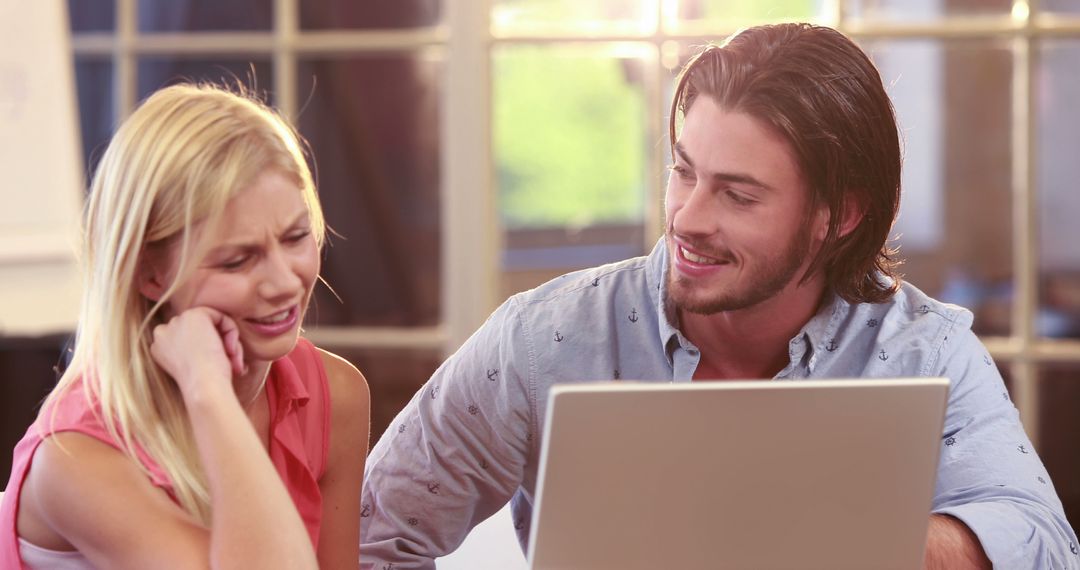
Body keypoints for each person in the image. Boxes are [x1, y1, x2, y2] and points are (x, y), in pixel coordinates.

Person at [359, 22, 1078, 569]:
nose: (688, 218)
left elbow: (1044, 542)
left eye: (738, 194)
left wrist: (853, 544)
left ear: (840, 215)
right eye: (684, 171)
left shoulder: (925, 349)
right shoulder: (546, 338)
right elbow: (369, 538)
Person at [0, 84, 370, 569]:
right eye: (237, 261)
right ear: (149, 273)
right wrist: (209, 393)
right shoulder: (74, 457)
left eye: (296, 237)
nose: (284, 282)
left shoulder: (335, 394)